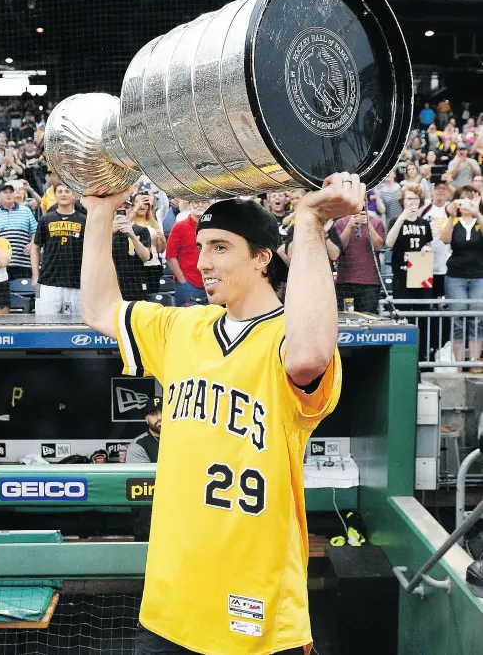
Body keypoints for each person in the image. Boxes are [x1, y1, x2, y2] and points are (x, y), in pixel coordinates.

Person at [80, 172, 363, 655]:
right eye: (201, 246)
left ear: (261, 258)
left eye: (219, 248)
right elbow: (100, 308)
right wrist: (101, 212)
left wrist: (311, 223)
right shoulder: (184, 326)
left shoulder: (289, 338)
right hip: (173, 603)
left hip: (256, 603)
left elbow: (309, 356)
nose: (203, 262)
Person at [440, 185, 483, 371]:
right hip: (456, 275)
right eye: (462, 199)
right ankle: (458, 364)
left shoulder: (480, 221)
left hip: (479, 276)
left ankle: (473, 362)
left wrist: (477, 212)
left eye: (469, 199)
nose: (465, 203)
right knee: (457, 318)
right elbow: (445, 239)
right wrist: (450, 216)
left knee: (477, 319)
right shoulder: (454, 222)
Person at [31, 183, 86, 315]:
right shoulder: (45, 220)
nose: (63, 194)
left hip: (75, 283)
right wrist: (35, 276)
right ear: (55, 195)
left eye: (67, 191)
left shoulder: (84, 220)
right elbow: (35, 247)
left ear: (74, 195)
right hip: (48, 283)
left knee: (73, 327)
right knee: (45, 326)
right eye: (60, 191)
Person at [386, 184, 433, 300]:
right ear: (403, 201)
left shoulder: (425, 223)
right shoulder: (395, 221)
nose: (412, 202)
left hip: (420, 272)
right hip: (401, 273)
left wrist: (427, 249)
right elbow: (389, 243)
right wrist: (402, 218)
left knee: (422, 313)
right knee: (403, 312)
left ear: (420, 201)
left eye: (415, 199)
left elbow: (429, 245)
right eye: (409, 199)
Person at [334, 210, 385, 314]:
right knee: (346, 316)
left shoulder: (376, 222)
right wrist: (349, 226)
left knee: (368, 317)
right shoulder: (340, 223)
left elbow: (378, 246)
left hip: (370, 282)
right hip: (345, 281)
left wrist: (368, 225)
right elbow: (339, 248)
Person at [127, 404, 163, 542]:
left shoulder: (183, 441)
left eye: (163, 412)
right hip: (151, 512)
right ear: (146, 419)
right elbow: (142, 488)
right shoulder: (139, 445)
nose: (160, 417)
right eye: (154, 414)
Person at [165, 199, 209, 307]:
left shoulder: (213, 228)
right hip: (188, 283)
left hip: (210, 282)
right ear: (189, 204)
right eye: (196, 202)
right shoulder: (179, 227)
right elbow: (170, 256)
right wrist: (183, 281)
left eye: (203, 202)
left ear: (208, 204)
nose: (200, 204)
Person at [0, 183, 37, 280]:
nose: (8, 195)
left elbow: (35, 230)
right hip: (1, 265)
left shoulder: (26, 211)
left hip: (23, 262)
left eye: (11, 192)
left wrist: (32, 243)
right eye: (5, 192)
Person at [129, 191, 167, 298]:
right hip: (134, 267)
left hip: (153, 266)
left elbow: (160, 249)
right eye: (138, 202)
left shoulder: (153, 223)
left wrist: (163, 240)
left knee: (152, 297)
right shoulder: (129, 222)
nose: (142, 205)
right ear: (133, 205)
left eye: (145, 202)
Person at [112, 205, 152, 301]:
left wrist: (133, 236)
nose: (122, 210)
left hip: (135, 284)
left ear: (132, 209)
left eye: (126, 207)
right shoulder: (105, 231)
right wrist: (110, 232)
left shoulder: (142, 230)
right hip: (112, 284)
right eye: (118, 207)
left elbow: (146, 257)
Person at [420, 180, 451, 298]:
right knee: (428, 296)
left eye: (444, 188)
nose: (441, 191)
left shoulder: (450, 211)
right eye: (438, 188)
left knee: (442, 296)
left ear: (448, 192)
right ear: (433, 191)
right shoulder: (425, 210)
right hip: (427, 262)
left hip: (445, 261)